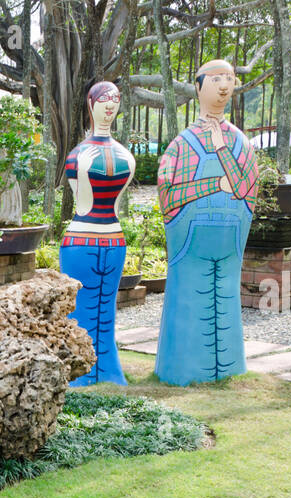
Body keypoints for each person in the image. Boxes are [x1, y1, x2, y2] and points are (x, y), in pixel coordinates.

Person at [154, 59, 259, 386]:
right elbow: (169, 194)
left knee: (226, 300)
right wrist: (214, 185)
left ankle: (228, 372)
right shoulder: (181, 145)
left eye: (229, 78)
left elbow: (245, 188)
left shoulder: (240, 142)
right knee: (189, 300)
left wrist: (220, 151)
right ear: (198, 87)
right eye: (216, 79)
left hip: (229, 243)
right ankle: (183, 372)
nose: (225, 86)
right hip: (190, 244)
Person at [61, 81, 135, 386]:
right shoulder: (78, 156)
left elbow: (113, 203)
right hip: (82, 239)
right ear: (91, 106)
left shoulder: (125, 157)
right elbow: (84, 202)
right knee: (83, 307)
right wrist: (82, 171)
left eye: (115, 100)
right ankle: (80, 372)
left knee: (106, 307)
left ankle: (106, 370)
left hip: (111, 239)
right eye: (103, 100)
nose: (109, 106)